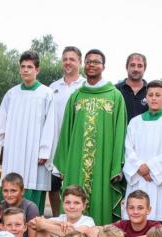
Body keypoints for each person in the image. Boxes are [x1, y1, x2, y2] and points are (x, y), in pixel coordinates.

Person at [53, 49, 128, 226]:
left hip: (104, 161)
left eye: (96, 62)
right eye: (88, 61)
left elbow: (120, 133)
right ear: (84, 65)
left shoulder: (114, 96)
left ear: (104, 66)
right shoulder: (77, 96)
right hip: (77, 162)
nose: (92, 65)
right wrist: (64, 163)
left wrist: (117, 164)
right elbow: (66, 132)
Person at [0, 51, 55, 211]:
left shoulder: (46, 94)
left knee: (32, 183)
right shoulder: (12, 94)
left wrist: (44, 151)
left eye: (30, 67)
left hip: (34, 152)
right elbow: (0, 123)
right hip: (13, 151)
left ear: (37, 70)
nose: (25, 70)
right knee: (10, 182)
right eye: (23, 66)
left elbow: (50, 125)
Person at [123, 80, 162, 231]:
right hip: (138, 177)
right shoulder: (135, 122)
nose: (154, 98)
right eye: (150, 95)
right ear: (145, 98)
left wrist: (150, 168)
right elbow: (128, 148)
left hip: (159, 180)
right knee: (136, 209)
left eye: (158, 95)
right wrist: (139, 167)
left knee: (158, 211)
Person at [47, 46, 85, 216]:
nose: (68, 62)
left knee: (77, 185)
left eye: (72, 59)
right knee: (54, 184)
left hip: (78, 143)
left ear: (80, 62)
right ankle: (57, 218)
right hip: (56, 142)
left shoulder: (86, 86)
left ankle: (79, 219)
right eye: (65, 59)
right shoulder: (53, 87)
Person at [30, 184, 95, 237]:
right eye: (68, 203)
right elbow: (32, 223)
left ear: (84, 206)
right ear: (63, 204)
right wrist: (58, 223)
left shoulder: (88, 221)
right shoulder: (60, 219)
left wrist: (44, 224)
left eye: (76, 203)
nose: (71, 206)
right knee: (42, 232)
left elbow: (71, 234)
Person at [88, 190, 160, 237]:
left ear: (148, 210)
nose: (135, 212)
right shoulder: (122, 225)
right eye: (131, 208)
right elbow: (93, 233)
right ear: (126, 210)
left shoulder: (154, 226)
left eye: (140, 208)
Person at [0, 172, 40, 237]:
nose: (9, 195)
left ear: (22, 191)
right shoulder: (1, 206)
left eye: (13, 191)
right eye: (5, 191)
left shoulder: (30, 208)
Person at [115, 53, 148, 121]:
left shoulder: (151, 92)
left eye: (140, 66)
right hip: (121, 131)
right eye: (132, 65)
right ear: (127, 67)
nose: (136, 69)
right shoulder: (115, 90)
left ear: (144, 69)